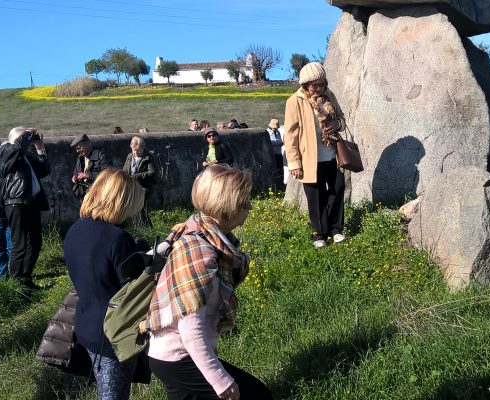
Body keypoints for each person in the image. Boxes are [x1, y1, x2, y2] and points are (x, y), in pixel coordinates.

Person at [141, 165, 272, 400]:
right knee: (258, 396)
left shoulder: (199, 232)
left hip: (167, 356)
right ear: (226, 206)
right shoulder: (200, 252)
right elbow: (190, 328)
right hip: (179, 356)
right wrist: (220, 381)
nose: (250, 207)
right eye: (244, 202)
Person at [63, 169, 148, 400]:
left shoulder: (76, 228)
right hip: (113, 334)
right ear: (122, 202)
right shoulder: (117, 239)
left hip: (86, 324)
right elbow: (132, 290)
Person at [285, 62, 348, 248]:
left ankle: (335, 229)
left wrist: (335, 125)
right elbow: (290, 133)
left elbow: (342, 120)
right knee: (316, 197)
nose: (319, 88)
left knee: (338, 189)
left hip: (332, 154)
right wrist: (294, 162)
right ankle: (319, 233)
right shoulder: (295, 101)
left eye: (322, 83)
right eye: (315, 85)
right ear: (305, 85)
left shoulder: (329, 96)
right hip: (309, 158)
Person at [0, 126, 50, 289]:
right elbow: (8, 163)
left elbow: (44, 170)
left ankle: (25, 279)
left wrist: (40, 148)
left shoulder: (26, 156)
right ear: (14, 139)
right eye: (23, 137)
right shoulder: (4, 150)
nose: (27, 140)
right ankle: (16, 282)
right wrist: (26, 136)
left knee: (35, 242)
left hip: (31, 202)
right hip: (15, 201)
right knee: (19, 243)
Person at [122, 136, 159, 227]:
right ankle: (138, 226)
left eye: (139, 150)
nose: (136, 152)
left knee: (139, 207)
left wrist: (136, 176)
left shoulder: (148, 157)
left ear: (143, 149)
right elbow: (125, 170)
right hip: (132, 186)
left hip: (144, 186)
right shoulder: (130, 156)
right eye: (134, 150)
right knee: (133, 207)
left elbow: (152, 172)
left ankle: (145, 226)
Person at [71, 134, 111, 199]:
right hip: (84, 195)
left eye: (79, 148)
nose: (77, 151)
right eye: (76, 149)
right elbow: (76, 172)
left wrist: (88, 176)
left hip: (99, 195)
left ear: (87, 144)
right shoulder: (80, 158)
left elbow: (108, 176)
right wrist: (74, 178)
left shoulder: (102, 156)